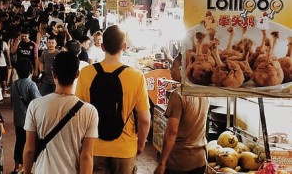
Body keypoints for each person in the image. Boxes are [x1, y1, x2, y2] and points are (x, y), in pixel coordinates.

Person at [75, 25, 151, 174]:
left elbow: (79, 112)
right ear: (124, 46)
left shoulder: (86, 73)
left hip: (93, 147)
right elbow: (145, 119)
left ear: (102, 47)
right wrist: (140, 145)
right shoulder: (136, 76)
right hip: (125, 150)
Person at [23, 52, 98, 174]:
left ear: (53, 74)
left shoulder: (35, 105)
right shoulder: (89, 111)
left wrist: (26, 172)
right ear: (77, 74)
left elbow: (29, 149)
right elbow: (86, 156)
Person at [154, 54, 209, 174]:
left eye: (174, 66)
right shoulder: (204, 92)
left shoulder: (178, 95)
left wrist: (162, 163)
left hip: (180, 161)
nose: (170, 69)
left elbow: (171, 132)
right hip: (200, 160)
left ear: (183, 70)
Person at [10, 59, 41, 174]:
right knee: (29, 144)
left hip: (17, 120)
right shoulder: (31, 84)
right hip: (29, 121)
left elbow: (12, 100)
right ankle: (23, 168)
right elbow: (38, 102)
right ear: (30, 71)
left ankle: (16, 166)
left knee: (19, 142)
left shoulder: (14, 84)